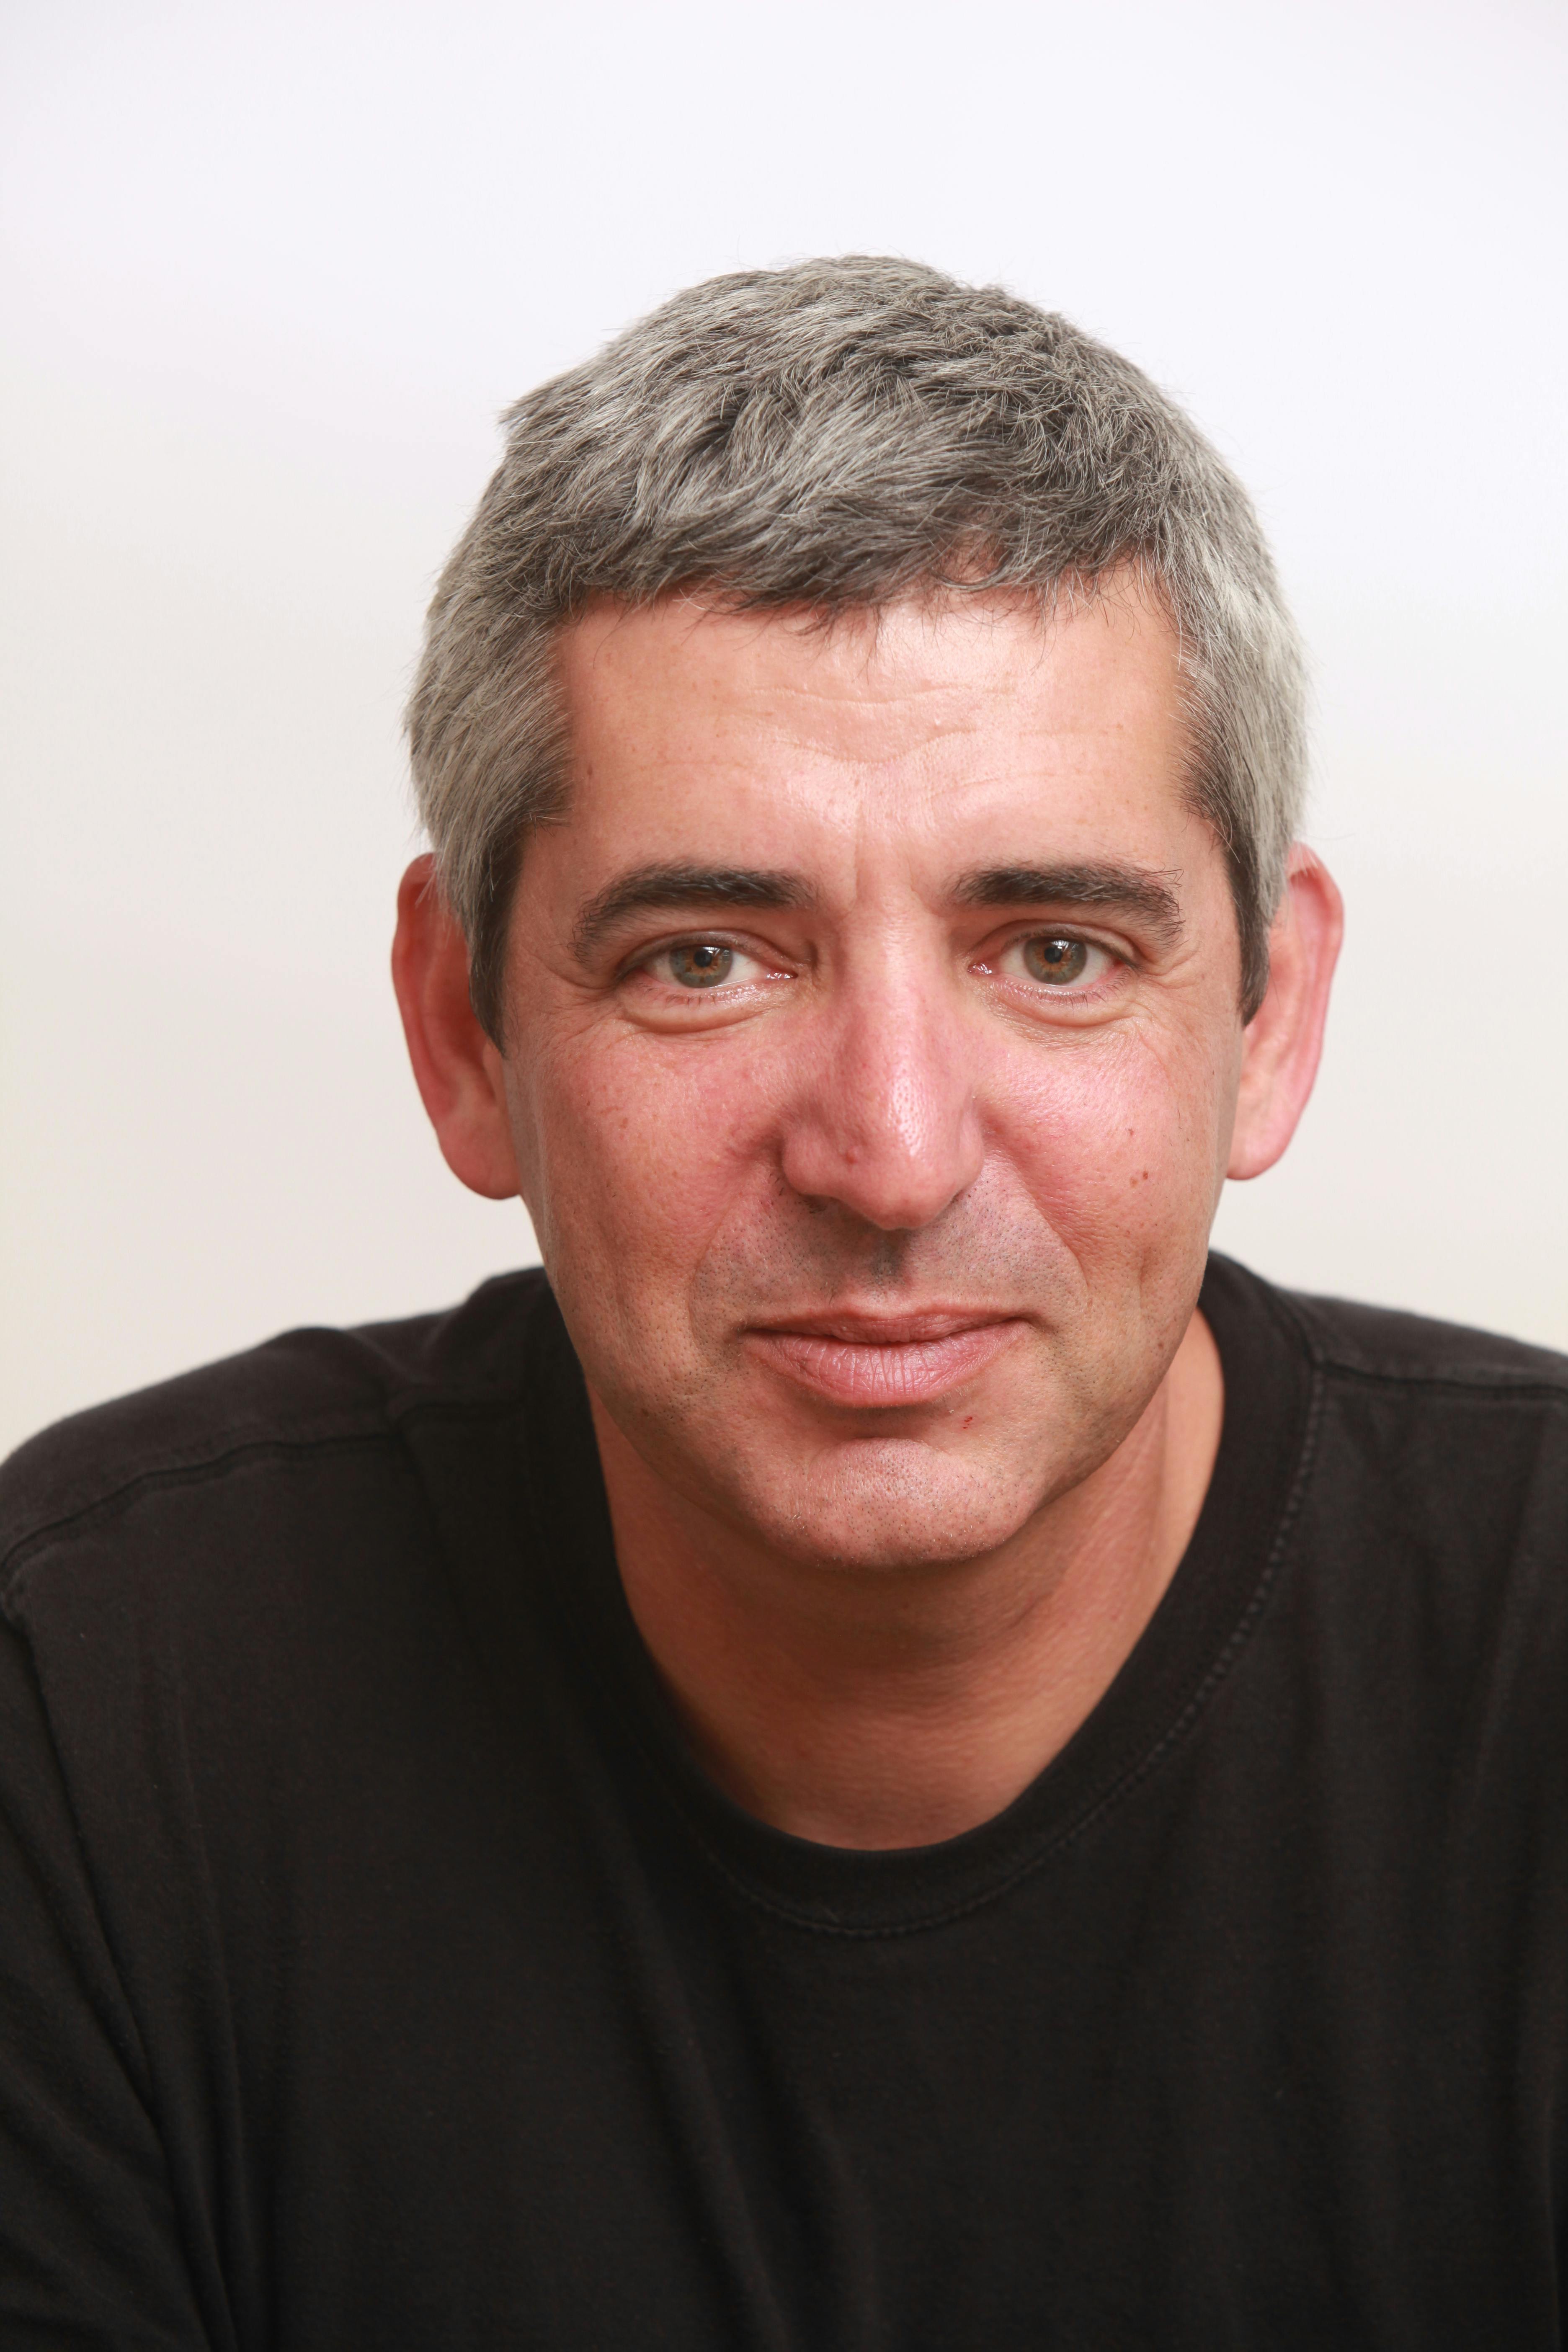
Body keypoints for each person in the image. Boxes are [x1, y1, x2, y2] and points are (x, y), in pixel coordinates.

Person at [1, 257, 1563, 2349]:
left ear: (1270, 1022)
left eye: (1057, 951)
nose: (891, 1156)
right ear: (464, 1034)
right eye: (707, 959)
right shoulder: (98, 1708)